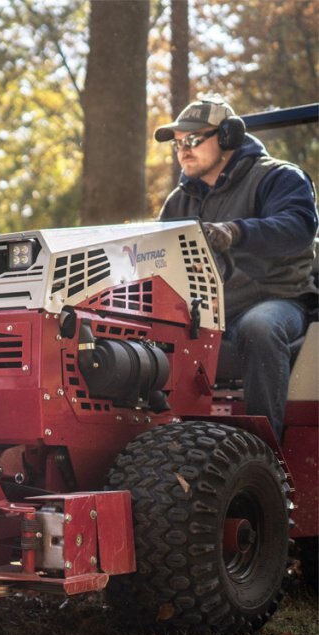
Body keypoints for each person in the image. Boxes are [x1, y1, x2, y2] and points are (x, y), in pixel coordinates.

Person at [156, 94, 318, 441]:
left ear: (228, 136)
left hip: (277, 299)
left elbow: (299, 228)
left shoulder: (277, 178)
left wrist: (235, 231)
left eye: (193, 140)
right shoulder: (179, 201)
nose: (183, 150)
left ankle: (264, 451)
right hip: (205, 313)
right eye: (178, 144)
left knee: (260, 328)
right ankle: (165, 443)